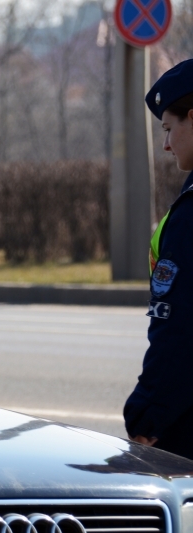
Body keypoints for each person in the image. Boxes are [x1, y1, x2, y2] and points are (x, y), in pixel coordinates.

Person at [124, 58, 193, 460]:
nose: (166, 144)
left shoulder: (190, 214)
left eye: (168, 128)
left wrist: (147, 415)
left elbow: (179, 327)